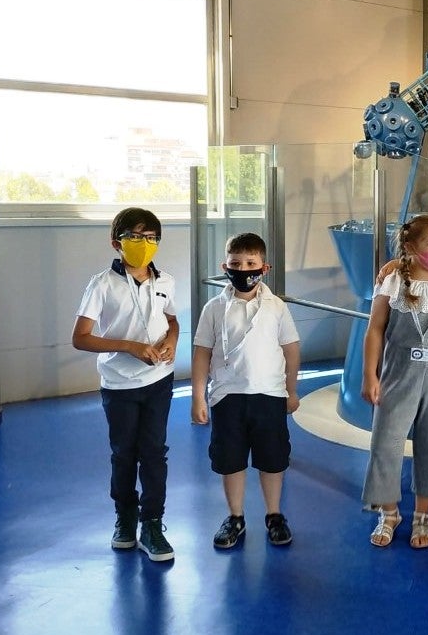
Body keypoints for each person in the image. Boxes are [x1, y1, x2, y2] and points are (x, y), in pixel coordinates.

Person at [71, 207, 179, 562]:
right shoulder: (102, 284)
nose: (143, 244)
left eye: (151, 238)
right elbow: (81, 337)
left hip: (159, 380)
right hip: (119, 385)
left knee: (154, 452)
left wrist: (172, 341)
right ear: (116, 242)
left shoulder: (165, 281)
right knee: (124, 453)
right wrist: (129, 347)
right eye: (134, 237)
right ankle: (125, 518)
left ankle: (152, 523)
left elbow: (172, 321)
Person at [190, 232, 301, 549]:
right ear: (225, 267)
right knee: (231, 460)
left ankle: (274, 515)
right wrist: (198, 396)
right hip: (227, 397)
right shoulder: (214, 308)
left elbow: (291, 349)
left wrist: (291, 390)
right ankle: (235, 517)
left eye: (251, 263)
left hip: (270, 395)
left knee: (272, 460)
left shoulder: (277, 307)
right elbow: (202, 352)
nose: (243, 269)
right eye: (236, 263)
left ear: (264, 268)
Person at [361, 214, 428, 549]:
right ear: (410, 247)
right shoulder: (392, 282)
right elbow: (375, 330)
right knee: (386, 442)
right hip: (399, 373)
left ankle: (423, 515)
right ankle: (388, 512)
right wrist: (370, 374)